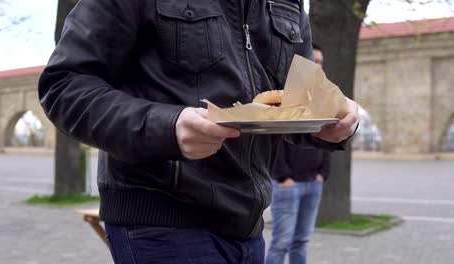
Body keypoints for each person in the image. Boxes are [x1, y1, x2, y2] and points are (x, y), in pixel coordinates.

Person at [38, 0, 359, 263]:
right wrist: (166, 126)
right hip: (161, 222)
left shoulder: (287, 4)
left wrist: (331, 121)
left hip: (249, 225)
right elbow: (65, 84)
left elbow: (294, 101)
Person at [266, 43, 330, 264]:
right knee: (281, 243)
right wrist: (283, 177)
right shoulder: (284, 96)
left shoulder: (322, 98)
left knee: (301, 241)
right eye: (313, 60)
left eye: (321, 62)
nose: (318, 66)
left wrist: (323, 172)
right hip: (288, 185)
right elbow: (273, 138)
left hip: (314, 183)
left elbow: (327, 136)